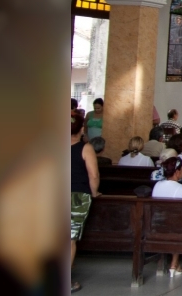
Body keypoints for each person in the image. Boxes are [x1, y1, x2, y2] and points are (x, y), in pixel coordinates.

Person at [70, 117, 100, 293]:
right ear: (81, 129)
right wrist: (94, 192)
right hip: (78, 196)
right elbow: (93, 175)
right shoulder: (85, 148)